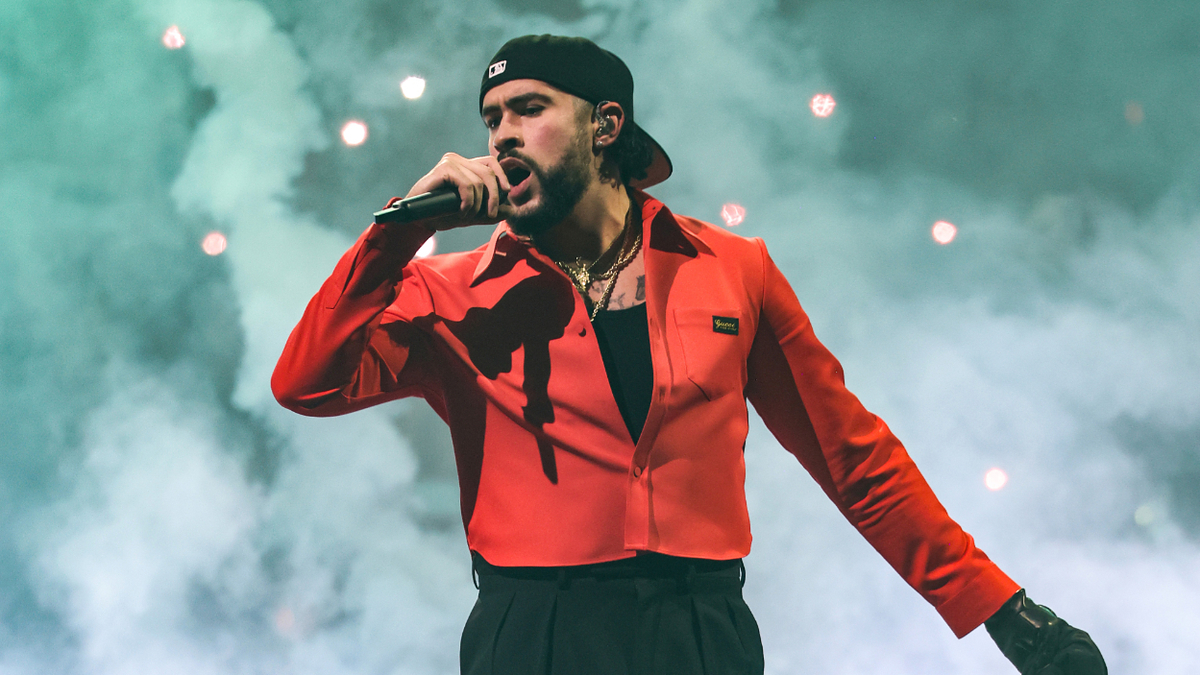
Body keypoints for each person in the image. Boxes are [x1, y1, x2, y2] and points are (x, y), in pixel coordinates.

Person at [272, 34, 1106, 675]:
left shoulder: (735, 270)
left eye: (529, 109)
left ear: (606, 125)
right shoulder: (446, 291)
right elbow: (304, 384)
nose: (502, 137)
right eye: (492, 120)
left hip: (700, 630)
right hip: (533, 631)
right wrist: (399, 229)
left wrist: (1000, 607)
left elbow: (855, 459)